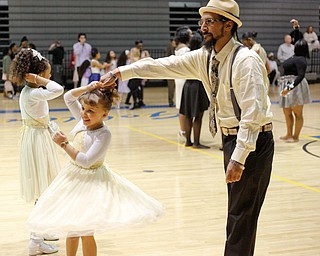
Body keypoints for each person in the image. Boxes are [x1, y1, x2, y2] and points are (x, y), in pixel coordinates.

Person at [101, 0, 274, 255]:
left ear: (228, 25)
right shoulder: (206, 56)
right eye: (201, 22)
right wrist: (120, 72)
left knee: (241, 215)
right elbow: (163, 65)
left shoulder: (245, 61)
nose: (203, 27)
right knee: (238, 213)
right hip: (231, 140)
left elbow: (252, 114)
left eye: (209, 21)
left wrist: (238, 158)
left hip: (252, 143)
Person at [27, 82, 164, 256]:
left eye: (91, 111)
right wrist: (87, 89)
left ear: (104, 114)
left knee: (86, 230)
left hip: (91, 182)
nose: (84, 114)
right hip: (73, 178)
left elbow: (86, 161)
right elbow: (68, 97)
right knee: (73, 226)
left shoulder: (104, 134)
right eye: (83, 109)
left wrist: (64, 144)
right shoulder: (83, 120)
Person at [10, 48, 64, 255]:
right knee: (43, 191)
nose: (49, 78)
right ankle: (35, 240)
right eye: (47, 75)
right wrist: (39, 79)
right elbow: (58, 89)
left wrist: (37, 78)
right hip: (37, 141)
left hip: (38, 138)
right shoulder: (33, 93)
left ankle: (42, 230)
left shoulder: (30, 92)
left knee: (45, 188)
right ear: (38, 76)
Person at [179, 31, 210, 148]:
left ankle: (188, 141)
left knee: (188, 114)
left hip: (187, 85)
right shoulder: (202, 55)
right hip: (198, 86)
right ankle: (196, 142)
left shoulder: (187, 55)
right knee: (198, 115)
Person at [279, 39, 311, 143]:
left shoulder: (301, 60)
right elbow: (297, 38)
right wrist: (296, 28)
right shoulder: (295, 56)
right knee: (287, 112)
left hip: (295, 87)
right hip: (286, 84)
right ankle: (289, 134)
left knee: (297, 113)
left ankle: (295, 137)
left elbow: (301, 76)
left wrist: (289, 88)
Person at [174, 26, 193, 140]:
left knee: (181, 105)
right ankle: (183, 130)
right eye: (190, 34)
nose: (192, 36)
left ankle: (182, 130)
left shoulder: (178, 47)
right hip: (184, 78)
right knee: (183, 106)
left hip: (179, 78)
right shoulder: (186, 50)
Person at [165, 39, 176, 107]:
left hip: (176, 71)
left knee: (175, 87)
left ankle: (175, 101)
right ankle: (170, 101)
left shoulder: (177, 49)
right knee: (171, 87)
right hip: (170, 71)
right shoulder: (169, 49)